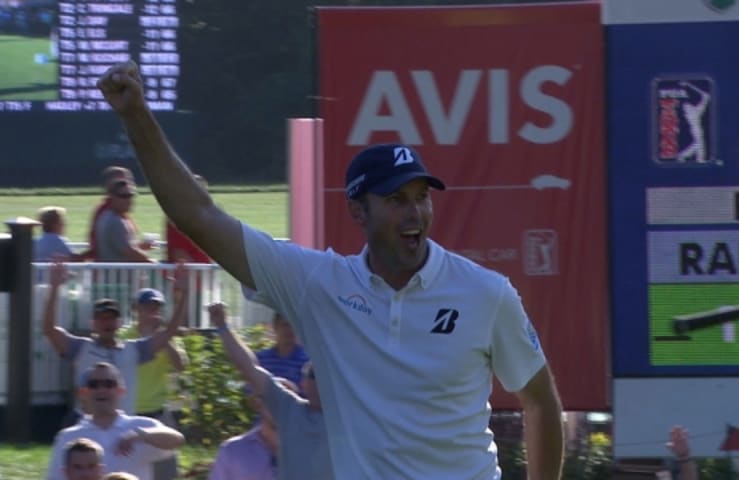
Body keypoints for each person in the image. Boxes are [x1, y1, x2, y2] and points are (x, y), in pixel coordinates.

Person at [98, 60, 564, 479]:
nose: (415, 213)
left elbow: (539, 399)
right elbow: (198, 216)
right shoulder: (318, 285)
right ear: (359, 213)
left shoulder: (485, 292)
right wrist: (136, 115)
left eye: (422, 197)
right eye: (396, 199)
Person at [41, 261, 188, 415]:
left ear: (119, 323)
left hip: (122, 427)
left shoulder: (133, 349)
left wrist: (184, 294)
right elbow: (49, 330)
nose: (107, 323)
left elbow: (169, 332)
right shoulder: (80, 348)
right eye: (102, 319)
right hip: (88, 426)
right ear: (93, 324)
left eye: (111, 318)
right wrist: (54, 288)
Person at [209, 302, 330, 480]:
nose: (320, 381)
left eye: (326, 376)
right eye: (313, 375)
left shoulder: (346, 421)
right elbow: (248, 368)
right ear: (303, 383)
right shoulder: (290, 411)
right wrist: (222, 326)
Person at [47, 362, 185, 480]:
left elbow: (177, 440)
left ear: (120, 391)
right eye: (94, 385)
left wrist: (138, 435)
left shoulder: (141, 425)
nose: (101, 390)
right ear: (84, 393)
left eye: (109, 384)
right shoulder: (68, 436)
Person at [121, 287, 188, 421]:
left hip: (158, 408)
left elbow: (181, 366)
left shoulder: (167, 335)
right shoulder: (123, 334)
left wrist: (164, 340)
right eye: (148, 308)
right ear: (137, 309)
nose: (153, 312)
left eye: (156, 308)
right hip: (127, 407)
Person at [94, 178, 156, 263]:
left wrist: (141, 246)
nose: (129, 200)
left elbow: (122, 248)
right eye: (124, 196)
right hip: (118, 275)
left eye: (131, 195)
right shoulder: (115, 221)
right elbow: (130, 253)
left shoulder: (109, 216)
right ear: (112, 197)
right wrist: (154, 263)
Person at [82, 166, 136, 261]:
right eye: (123, 181)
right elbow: (96, 247)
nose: (127, 185)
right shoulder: (105, 213)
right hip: (108, 271)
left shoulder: (121, 212)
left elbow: (120, 245)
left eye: (129, 180)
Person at [254, 312, 309, 388]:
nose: (289, 329)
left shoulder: (307, 361)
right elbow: (251, 389)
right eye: (285, 325)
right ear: (275, 327)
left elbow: (312, 394)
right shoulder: (261, 359)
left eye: (293, 325)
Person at [165, 174, 211, 263]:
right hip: (188, 274)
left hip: (204, 272)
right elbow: (179, 254)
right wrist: (200, 274)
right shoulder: (177, 219)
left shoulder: (204, 219)